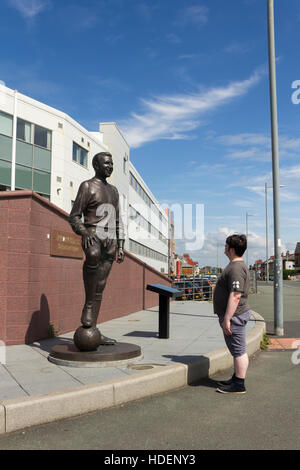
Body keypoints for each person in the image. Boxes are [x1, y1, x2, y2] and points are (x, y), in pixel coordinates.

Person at [69, 151, 125, 345]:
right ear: (96, 165)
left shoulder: (114, 191)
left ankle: (93, 328)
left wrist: (121, 244)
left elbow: (118, 220)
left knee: (101, 285)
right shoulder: (87, 186)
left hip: (110, 239)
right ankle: (88, 309)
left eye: (112, 163)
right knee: (92, 258)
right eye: (107, 163)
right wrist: (84, 232)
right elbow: (74, 216)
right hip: (93, 234)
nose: (110, 166)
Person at [213, 234, 251, 394]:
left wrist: (227, 319)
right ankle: (236, 378)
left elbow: (235, 295)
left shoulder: (235, 268)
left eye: (226, 245)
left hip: (234, 316)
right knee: (237, 349)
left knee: (238, 350)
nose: (224, 247)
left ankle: (239, 384)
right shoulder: (235, 266)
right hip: (235, 315)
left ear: (232, 249)